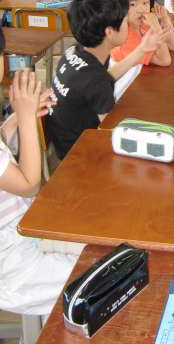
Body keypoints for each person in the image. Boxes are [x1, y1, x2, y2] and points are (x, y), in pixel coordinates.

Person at [0, 30, 78, 315]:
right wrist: (24, 118)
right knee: (94, 280)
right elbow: (29, 184)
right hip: (9, 261)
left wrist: (14, 121)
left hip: (24, 228)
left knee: (96, 245)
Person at [46, 0, 170, 160]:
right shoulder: (96, 81)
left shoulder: (77, 51)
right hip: (79, 154)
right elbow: (113, 134)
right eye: (124, 21)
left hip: (63, 140)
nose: (128, 25)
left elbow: (101, 79)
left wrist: (142, 50)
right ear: (110, 32)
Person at [111, 0, 174, 67]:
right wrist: (156, 27)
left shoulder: (143, 25)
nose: (142, 9)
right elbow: (164, 60)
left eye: (145, 2)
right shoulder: (124, 37)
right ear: (119, 6)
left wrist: (165, 19)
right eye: (133, 4)